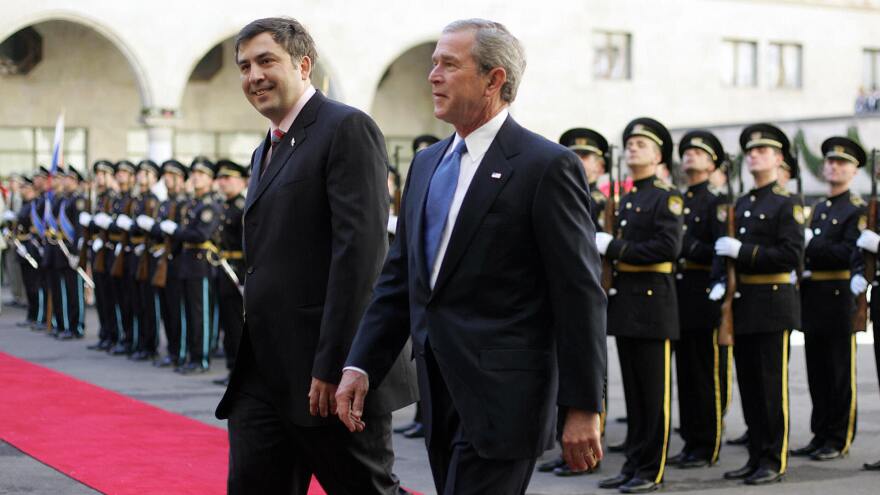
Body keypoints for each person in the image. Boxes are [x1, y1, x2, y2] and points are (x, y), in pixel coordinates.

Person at [337, 19, 606, 495]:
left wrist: (584, 405)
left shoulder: (545, 166)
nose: (433, 75)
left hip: (507, 398)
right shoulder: (426, 163)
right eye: (433, 63)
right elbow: (400, 280)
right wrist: (361, 364)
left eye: (448, 64)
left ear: (494, 80)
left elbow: (579, 294)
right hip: (439, 393)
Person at [214, 17, 417, 495]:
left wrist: (334, 366)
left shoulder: (346, 128)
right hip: (263, 372)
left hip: (327, 375)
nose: (253, 76)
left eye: (267, 61)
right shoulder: (265, 148)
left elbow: (360, 257)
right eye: (244, 66)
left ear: (303, 64)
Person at [710, 123, 803, 485]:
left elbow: (790, 255)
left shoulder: (787, 202)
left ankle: (772, 459)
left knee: (770, 387)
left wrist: (743, 251)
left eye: (762, 151)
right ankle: (754, 455)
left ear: (778, 159)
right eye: (750, 151)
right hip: (744, 303)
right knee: (749, 384)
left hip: (773, 305)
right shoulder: (744, 203)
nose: (754, 156)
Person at [594, 117, 683, 493]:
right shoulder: (628, 198)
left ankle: (651, 469)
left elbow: (668, 248)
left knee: (653, 395)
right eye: (629, 143)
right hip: (628, 305)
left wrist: (615, 248)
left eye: (641, 144)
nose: (632, 148)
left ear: (658, 154)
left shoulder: (666, 197)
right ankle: (633, 463)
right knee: (633, 394)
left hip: (653, 307)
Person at [791, 137, 866, 462]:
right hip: (814, 298)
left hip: (838, 298)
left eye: (842, 163)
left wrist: (812, 245)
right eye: (831, 162)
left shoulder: (857, 209)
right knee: (817, 373)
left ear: (854, 170)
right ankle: (820, 433)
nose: (834, 167)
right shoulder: (820, 208)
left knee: (838, 373)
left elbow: (849, 253)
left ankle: (838, 437)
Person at [671, 130, 729, 469]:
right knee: (687, 373)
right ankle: (691, 439)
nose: (690, 156)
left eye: (698, 153)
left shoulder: (715, 202)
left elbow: (719, 251)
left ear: (711, 164)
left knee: (705, 373)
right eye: (687, 152)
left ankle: (707, 444)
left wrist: (686, 246)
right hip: (680, 294)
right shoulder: (680, 199)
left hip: (703, 291)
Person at [211, 159, 247, 387]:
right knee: (227, 323)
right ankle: (231, 367)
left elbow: (249, 245)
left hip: (238, 272)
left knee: (237, 324)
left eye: (228, 178)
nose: (223, 183)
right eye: (221, 178)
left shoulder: (243, 207)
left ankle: (240, 372)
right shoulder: (224, 206)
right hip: (223, 270)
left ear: (241, 181)